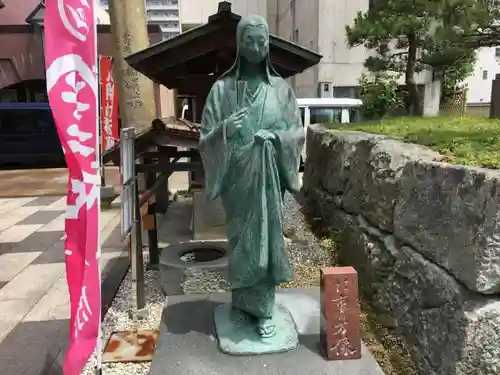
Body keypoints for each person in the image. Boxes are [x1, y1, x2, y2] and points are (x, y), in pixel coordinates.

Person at [198, 14, 304, 338]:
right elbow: (205, 138)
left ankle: (265, 310)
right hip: (237, 182)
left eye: (262, 41)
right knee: (242, 243)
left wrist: (276, 139)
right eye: (249, 41)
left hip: (269, 178)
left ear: (269, 44)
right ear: (238, 44)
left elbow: (297, 133)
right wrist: (225, 130)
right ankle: (241, 305)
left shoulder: (282, 91)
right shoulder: (222, 90)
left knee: (267, 241)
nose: (256, 47)